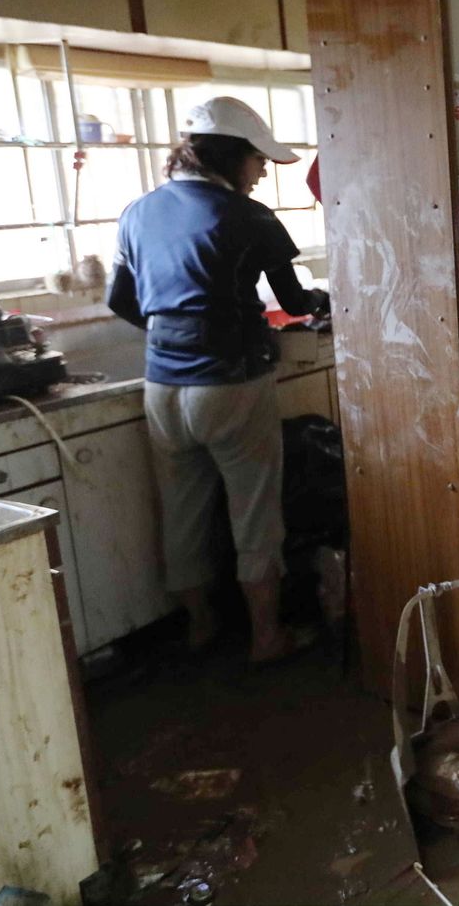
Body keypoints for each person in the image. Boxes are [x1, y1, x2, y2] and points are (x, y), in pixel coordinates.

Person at [107, 97, 330, 665]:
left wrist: (175, 334)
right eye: (258, 163)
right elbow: (296, 301)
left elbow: (120, 300)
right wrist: (329, 298)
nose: (260, 176)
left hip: (161, 387)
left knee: (182, 510)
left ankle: (201, 627)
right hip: (231, 382)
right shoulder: (249, 218)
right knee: (254, 513)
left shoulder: (137, 211)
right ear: (233, 157)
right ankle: (265, 637)